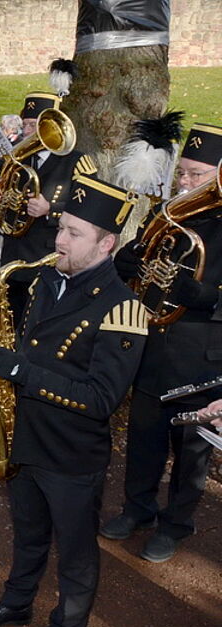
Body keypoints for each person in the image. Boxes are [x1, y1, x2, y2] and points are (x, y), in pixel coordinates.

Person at [0, 175, 147, 627]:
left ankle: (69, 626)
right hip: (26, 436)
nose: (59, 240)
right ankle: (17, 603)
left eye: (73, 233)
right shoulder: (46, 279)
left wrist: (25, 374)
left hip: (70, 453)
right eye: (61, 227)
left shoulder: (124, 309)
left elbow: (102, 399)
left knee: (76, 553)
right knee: (27, 533)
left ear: (106, 244)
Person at [100, 122, 222, 563]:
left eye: (197, 174)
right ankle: (138, 510)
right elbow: (139, 260)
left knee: (191, 453)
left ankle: (175, 525)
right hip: (154, 345)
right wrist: (126, 261)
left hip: (202, 359)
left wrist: (209, 297)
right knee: (144, 439)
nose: (185, 182)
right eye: (182, 173)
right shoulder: (166, 214)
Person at [0, 92, 97, 319]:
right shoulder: (16, 160)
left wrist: (51, 209)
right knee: (12, 318)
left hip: (48, 257)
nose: (27, 132)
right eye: (25, 125)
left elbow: (90, 208)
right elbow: (4, 202)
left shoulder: (77, 162)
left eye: (35, 125)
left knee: (41, 322)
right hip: (13, 255)